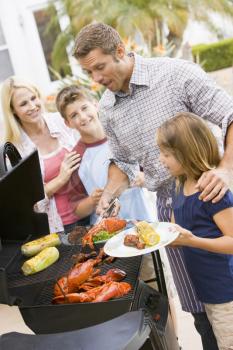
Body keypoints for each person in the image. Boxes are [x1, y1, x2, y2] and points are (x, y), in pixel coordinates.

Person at [72, 22, 233, 349]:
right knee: (198, 306)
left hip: (212, 191)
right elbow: (123, 162)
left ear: (120, 51)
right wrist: (109, 193)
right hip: (168, 205)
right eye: (89, 73)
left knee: (226, 295)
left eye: (100, 68)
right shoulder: (107, 107)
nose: (97, 80)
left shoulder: (175, 74)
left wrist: (227, 170)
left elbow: (230, 114)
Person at [157, 112, 233, 350]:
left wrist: (193, 241)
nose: (161, 160)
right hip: (207, 291)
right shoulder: (179, 184)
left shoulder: (212, 191)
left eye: (166, 154)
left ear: (187, 152)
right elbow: (175, 227)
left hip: (226, 293)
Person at [1, 76, 101, 234]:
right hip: (62, 227)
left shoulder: (62, 122)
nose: (33, 106)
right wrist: (61, 178)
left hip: (95, 211)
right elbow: (27, 202)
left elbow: (94, 148)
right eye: (23, 104)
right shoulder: (15, 150)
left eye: (33, 98)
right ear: (13, 110)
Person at [55, 84, 155, 224]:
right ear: (68, 123)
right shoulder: (75, 158)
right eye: (74, 115)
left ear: (95, 105)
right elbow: (76, 210)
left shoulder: (123, 136)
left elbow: (154, 172)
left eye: (84, 108)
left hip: (144, 221)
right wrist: (92, 201)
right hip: (107, 236)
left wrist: (143, 178)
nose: (83, 117)